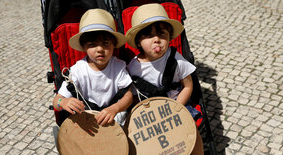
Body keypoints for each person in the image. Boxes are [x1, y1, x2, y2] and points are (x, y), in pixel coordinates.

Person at [125, 3, 204, 154]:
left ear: (169, 37)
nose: (157, 39)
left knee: (191, 128)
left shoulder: (176, 59)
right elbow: (135, 97)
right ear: (138, 42)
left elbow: (188, 86)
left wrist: (176, 108)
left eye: (162, 34)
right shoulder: (134, 68)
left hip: (177, 105)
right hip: (151, 115)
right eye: (149, 35)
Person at [53, 8, 133, 126]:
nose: (100, 49)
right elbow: (56, 101)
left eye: (105, 43)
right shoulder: (77, 71)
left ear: (114, 45)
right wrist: (63, 101)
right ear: (84, 47)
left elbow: (128, 96)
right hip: (87, 120)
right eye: (92, 44)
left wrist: (115, 108)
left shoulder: (118, 66)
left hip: (114, 117)